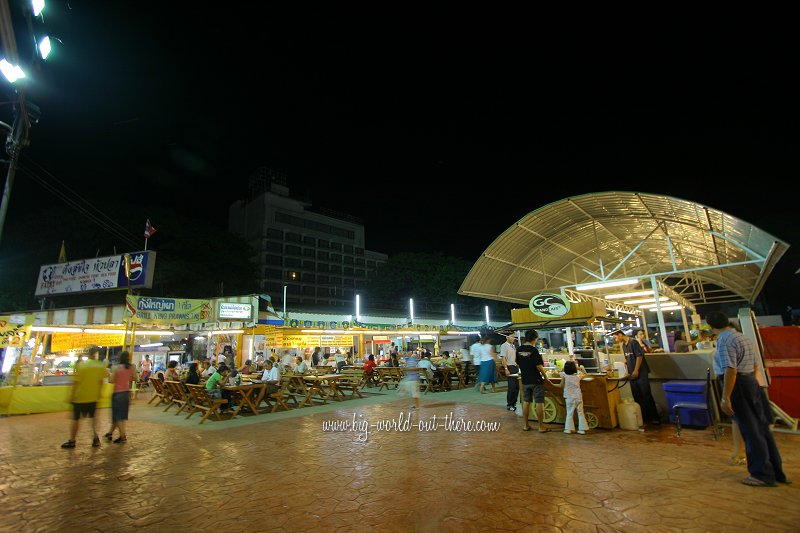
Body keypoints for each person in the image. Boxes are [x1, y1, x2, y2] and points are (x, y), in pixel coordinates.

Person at [707, 311, 790, 487]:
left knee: (750, 429)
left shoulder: (724, 340)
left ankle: (761, 474)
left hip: (738, 385)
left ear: (711, 327)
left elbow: (730, 369)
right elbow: (753, 365)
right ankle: (776, 471)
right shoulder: (741, 337)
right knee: (761, 428)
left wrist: (726, 397)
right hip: (751, 382)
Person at [61, 346, 108, 448]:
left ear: (88, 354)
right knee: (94, 420)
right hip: (94, 398)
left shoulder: (82, 366)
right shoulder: (101, 366)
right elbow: (101, 382)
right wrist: (100, 394)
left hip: (80, 398)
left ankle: (72, 440)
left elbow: (76, 383)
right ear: (96, 354)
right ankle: (96, 438)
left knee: (76, 420)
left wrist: (71, 396)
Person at [611, 329, 660, 425]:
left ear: (620, 334)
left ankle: (655, 418)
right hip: (631, 375)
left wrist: (636, 370)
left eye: (616, 337)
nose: (616, 340)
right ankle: (644, 417)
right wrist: (626, 366)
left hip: (641, 373)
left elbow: (639, 356)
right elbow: (627, 358)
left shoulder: (633, 342)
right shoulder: (624, 345)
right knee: (637, 397)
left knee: (646, 395)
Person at [517, 330, 550, 433]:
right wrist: (545, 376)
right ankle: (540, 426)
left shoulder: (519, 349)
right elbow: (539, 366)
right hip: (536, 380)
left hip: (525, 380)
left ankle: (526, 425)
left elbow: (518, 364)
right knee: (539, 402)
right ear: (534, 338)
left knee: (526, 402)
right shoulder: (533, 350)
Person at [105, 350, 137, 444]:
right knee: (121, 416)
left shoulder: (116, 368)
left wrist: (109, 374)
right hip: (126, 394)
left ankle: (123, 436)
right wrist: (128, 378)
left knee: (117, 417)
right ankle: (110, 433)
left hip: (117, 394)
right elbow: (136, 378)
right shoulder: (131, 367)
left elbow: (111, 380)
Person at [552, 360, 588, 435]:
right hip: (578, 397)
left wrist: (552, 384)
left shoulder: (565, 376)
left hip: (569, 397)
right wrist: (580, 368)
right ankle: (582, 429)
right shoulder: (577, 377)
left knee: (569, 413)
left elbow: (560, 386)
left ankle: (568, 429)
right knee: (581, 413)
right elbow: (585, 374)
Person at [500, 333, 518, 411]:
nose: (513, 338)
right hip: (509, 367)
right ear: (507, 337)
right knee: (512, 386)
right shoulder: (504, 346)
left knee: (517, 386)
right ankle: (509, 404)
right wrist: (506, 369)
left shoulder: (513, 346)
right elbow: (503, 358)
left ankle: (514, 403)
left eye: (514, 337)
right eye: (512, 337)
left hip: (515, 367)